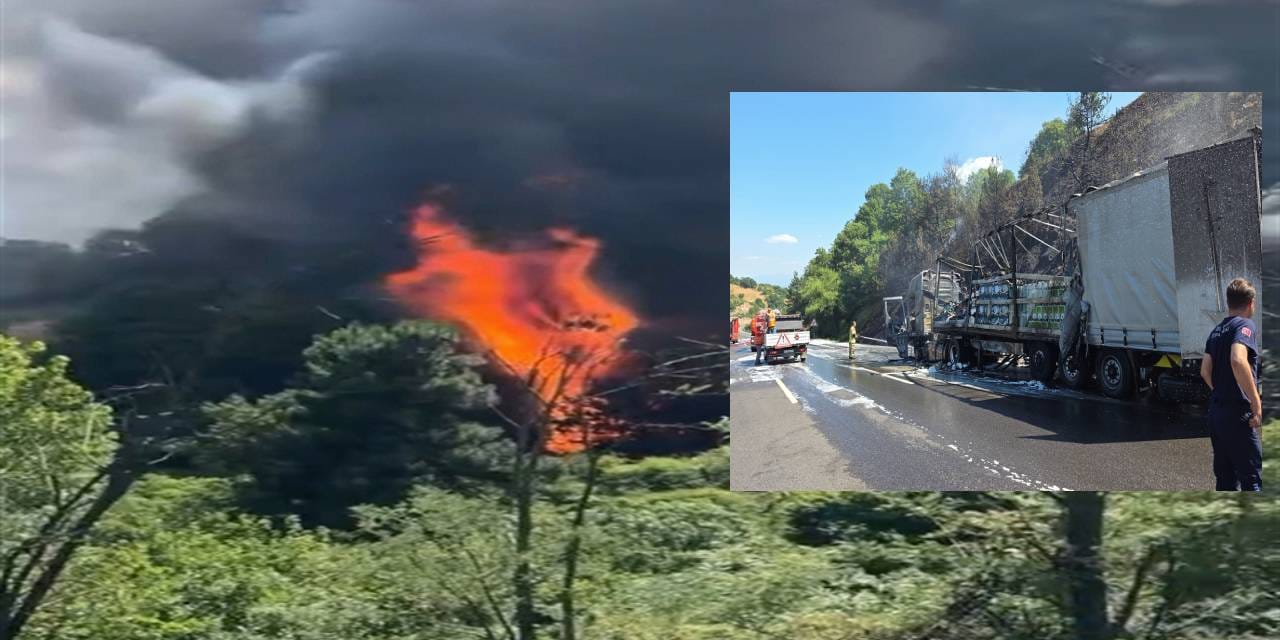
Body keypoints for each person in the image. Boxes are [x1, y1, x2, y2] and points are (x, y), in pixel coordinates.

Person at [1199, 277, 1263, 491]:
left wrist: (1220, 391)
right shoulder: (1246, 325)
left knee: (1225, 480)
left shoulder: (1215, 331)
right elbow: (1237, 359)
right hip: (1238, 414)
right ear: (1251, 303)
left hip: (1217, 413)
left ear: (1228, 302)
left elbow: (1204, 370)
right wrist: (1255, 402)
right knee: (1251, 479)